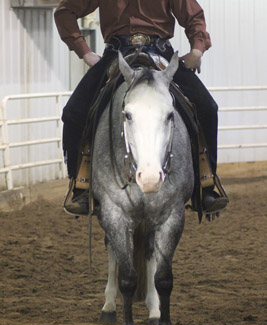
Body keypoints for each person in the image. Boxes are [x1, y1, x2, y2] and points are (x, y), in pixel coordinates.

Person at [54, 0, 228, 217]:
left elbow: (193, 17)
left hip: (160, 53)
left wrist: (197, 50)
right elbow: (64, 12)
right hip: (116, 55)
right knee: (74, 113)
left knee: (207, 109)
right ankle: (81, 185)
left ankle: (206, 184)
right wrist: (85, 52)